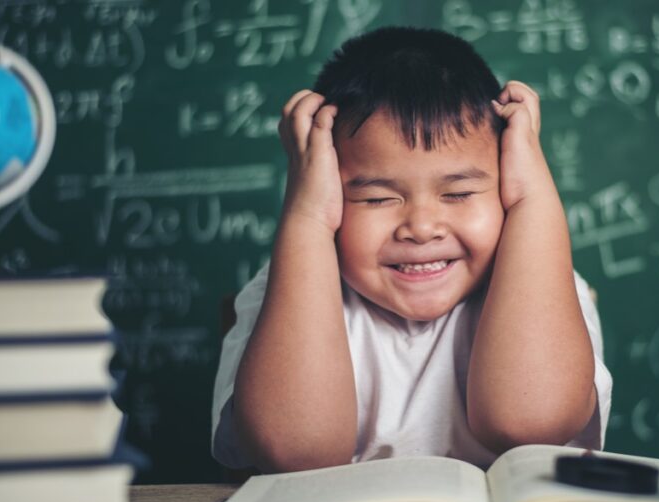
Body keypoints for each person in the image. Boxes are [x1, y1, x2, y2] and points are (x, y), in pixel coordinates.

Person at [212, 26, 612, 473]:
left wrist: (532, 197)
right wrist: (306, 219)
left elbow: (527, 424)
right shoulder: (282, 291)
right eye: (377, 198)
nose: (421, 228)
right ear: (325, 193)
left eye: (458, 194)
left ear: (505, 184)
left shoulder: (542, 279)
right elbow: (298, 452)